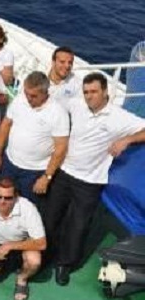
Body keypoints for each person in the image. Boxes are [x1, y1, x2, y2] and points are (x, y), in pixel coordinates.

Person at [43, 72, 145, 286]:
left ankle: (65, 264)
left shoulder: (119, 117)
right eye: (86, 92)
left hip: (90, 182)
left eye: (94, 92)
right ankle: (45, 255)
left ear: (105, 92)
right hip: (64, 173)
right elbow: (51, 99)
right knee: (51, 217)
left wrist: (127, 139)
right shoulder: (77, 105)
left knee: (78, 226)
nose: (89, 96)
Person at [0, 71, 69, 204]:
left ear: (45, 93)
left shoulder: (58, 113)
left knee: (28, 206)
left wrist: (46, 177)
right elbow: (6, 125)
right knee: (2, 200)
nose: (28, 98)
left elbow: (60, 149)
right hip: (9, 163)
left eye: (33, 96)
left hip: (35, 172)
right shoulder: (20, 100)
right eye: (26, 93)